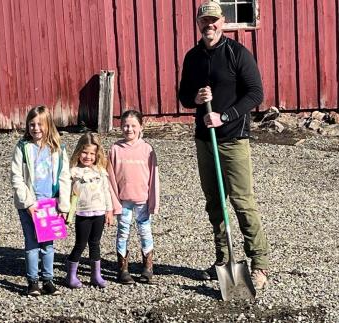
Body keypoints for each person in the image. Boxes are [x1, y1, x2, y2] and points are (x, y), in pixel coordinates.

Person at [178, 1, 269, 289]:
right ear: (198, 23)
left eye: (214, 20)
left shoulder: (237, 54)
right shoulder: (192, 57)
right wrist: (194, 99)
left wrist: (224, 115)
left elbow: (256, 93)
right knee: (214, 203)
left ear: (223, 21)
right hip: (204, 140)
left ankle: (260, 265)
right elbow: (182, 95)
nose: (209, 25)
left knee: (242, 202)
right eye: (204, 20)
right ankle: (224, 259)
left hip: (233, 138)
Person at [10, 105, 71, 296]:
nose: (36, 128)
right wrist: (27, 202)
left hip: (49, 204)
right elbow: (16, 177)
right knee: (31, 243)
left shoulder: (58, 149)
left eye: (40, 124)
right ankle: (32, 281)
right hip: (29, 205)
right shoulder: (22, 147)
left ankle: (48, 280)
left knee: (48, 244)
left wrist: (63, 204)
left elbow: (64, 176)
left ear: (48, 125)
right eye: (32, 124)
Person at [107, 110, 160, 284]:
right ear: (121, 127)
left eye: (133, 126)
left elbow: (154, 178)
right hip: (124, 202)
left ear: (140, 127)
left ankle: (147, 267)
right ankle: (122, 268)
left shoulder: (147, 149)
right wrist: (114, 203)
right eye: (126, 125)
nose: (129, 129)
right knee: (123, 232)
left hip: (142, 201)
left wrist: (154, 202)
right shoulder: (115, 149)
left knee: (145, 232)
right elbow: (110, 179)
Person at [65, 132, 113, 289]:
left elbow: (107, 191)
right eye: (85, 152)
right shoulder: (73, 172)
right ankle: (71, 275)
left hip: (99, 213)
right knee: (80, 243)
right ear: (78, 152)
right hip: (82, 214)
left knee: (95, 243)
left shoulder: (100, 171)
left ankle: (96, 275)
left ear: (97, 154)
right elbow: (65, 191)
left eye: (92, 153)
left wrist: (109, 210)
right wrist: (64, 209)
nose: (88, 156)